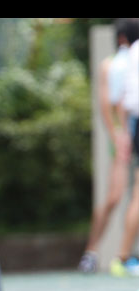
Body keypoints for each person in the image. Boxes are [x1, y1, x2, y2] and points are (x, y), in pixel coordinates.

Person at [78, 18, 139, 276]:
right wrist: (118, 136)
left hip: (127, 131)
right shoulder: (113, 65)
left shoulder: (122, 61)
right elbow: (110, 104)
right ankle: (96, 253)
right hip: (126, 133)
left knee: (124, 196)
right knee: (116, 197)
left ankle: (116, 255)